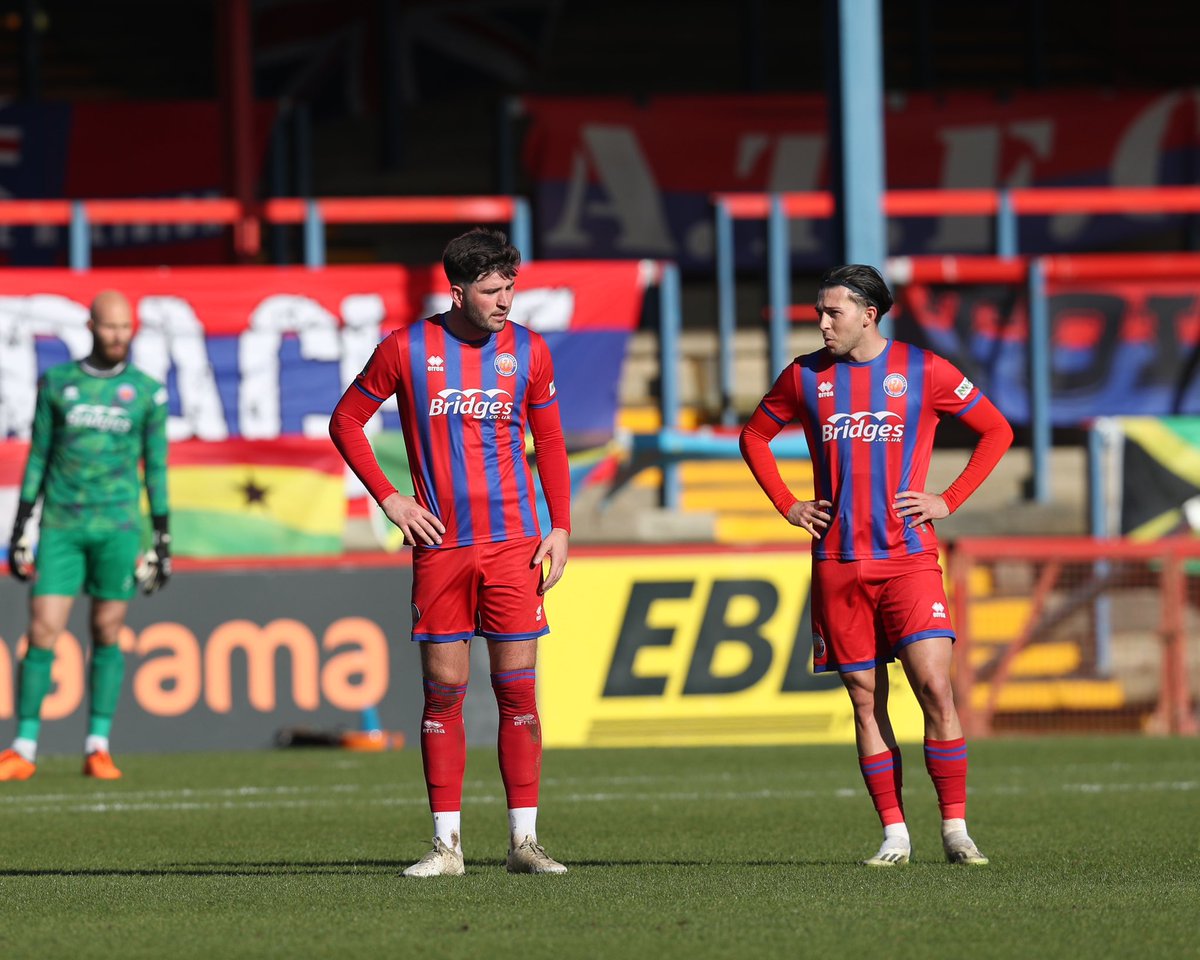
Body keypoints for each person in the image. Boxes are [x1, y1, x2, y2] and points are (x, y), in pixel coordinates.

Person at [739, 264, 1013, 867]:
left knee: (936, 687)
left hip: (907, 559)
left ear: (869, 314)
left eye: (832, 312)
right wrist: (787, 504)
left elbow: (996, 429)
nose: (821, 322)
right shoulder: (805, 375)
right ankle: (895, 833)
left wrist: (949, 498)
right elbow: (754, 437)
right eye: (819, 310)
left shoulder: (924, 370)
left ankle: (955, 828)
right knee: (866, 702)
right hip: (837, 561)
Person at [329, 227, 571, 877]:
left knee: (518, 691)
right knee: (444, 693)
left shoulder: (530, 352)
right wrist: (391, 500)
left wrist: (562, 526)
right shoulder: (406, 349)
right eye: (493, 291)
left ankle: (524, 843)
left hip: (516, 545)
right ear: (458, 290)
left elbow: (549, 441)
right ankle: (447, 848)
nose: (506, 303)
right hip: (442, 550)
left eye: (511, 288)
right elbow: (345, 420)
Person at [2, 290, 171, 782]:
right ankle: (24, 747)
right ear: (92, 325)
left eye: (126, 327)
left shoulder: (146, 391)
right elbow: (38, 455)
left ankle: (97, 746)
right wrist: (20, 527)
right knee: (41, 632)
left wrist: (162, 538)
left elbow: (155, 468)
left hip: (118, 529)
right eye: (110, 326)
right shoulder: (58, 382)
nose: (119, 335)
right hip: (62, 526)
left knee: (106, 632)